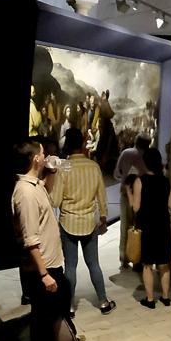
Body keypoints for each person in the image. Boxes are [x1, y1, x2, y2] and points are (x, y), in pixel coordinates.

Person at [12, 140, 78, 341]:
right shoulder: (26, 193)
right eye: (42, 153)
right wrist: (44, 275)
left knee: (55, 306)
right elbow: (30, 239)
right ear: (35, 159)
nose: (46, 154)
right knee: (41, 316)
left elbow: (48, 188)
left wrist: (53, 170)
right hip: (44, 267)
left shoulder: (35, 185)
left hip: (52, 261)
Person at [50, 129, 115, 316]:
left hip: (68, 222)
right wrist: (103, 216)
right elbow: (101, 196)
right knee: (94, 263)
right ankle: (103, 301)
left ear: (67, 144)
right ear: (83, 143)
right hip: (89, 222)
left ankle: (69, 307)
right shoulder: (93, 167)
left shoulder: (64, 167)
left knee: (70, 266)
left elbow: (54, 201)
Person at [130, 147, 171, 308]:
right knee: (164, 264)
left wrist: (129, 194)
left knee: (147, 265)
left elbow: (135, 207)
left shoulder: (140, 181)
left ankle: (149, 299)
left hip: (147, 227)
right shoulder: (165, 181)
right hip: (162, 225)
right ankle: (166, 297)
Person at [114, 136, 151, 270]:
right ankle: (137, 258)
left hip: (126, 193)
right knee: (140, 226)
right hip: (143, 195)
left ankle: (124, 257)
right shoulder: (148, 155)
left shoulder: (126, 153)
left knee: (125, 226)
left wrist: (125, 179)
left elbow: (117, 173)